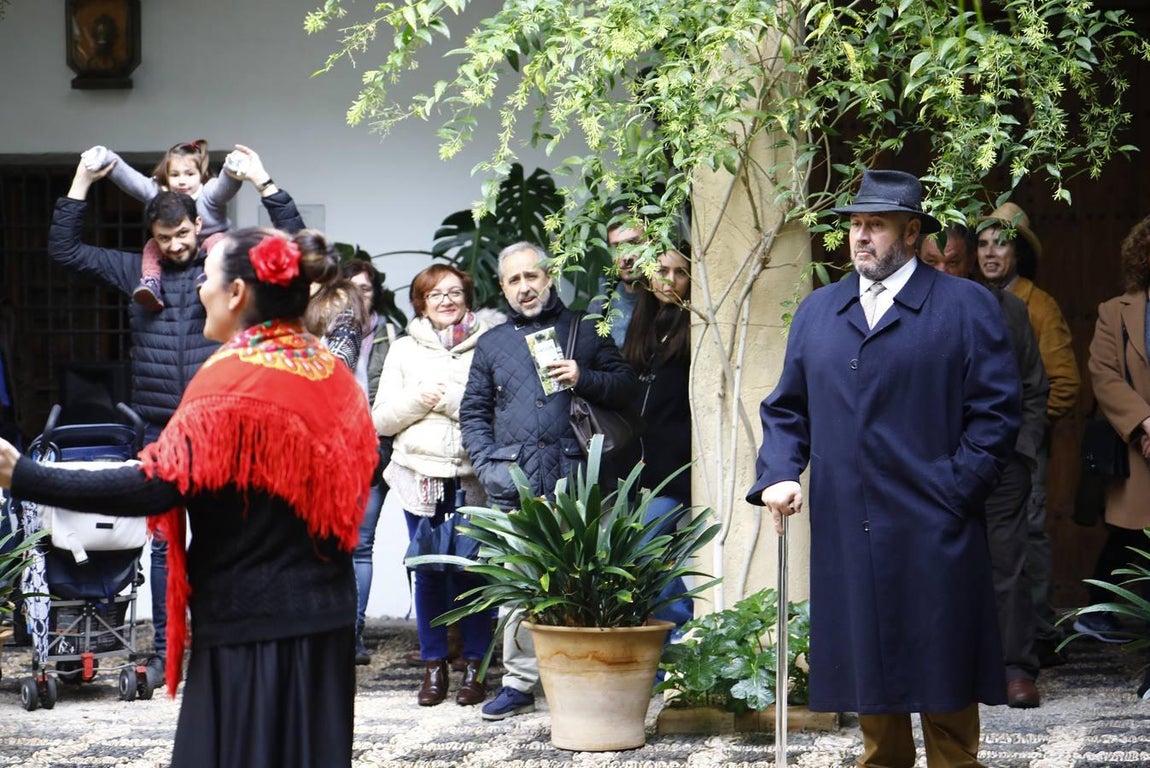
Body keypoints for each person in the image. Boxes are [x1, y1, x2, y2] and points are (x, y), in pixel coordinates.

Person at [0, 226, 379, 768]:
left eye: (208, 276)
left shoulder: (233, 379)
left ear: (237, 294)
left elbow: (158, 483)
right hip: (327, 619)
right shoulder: (330, 374)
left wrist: (29, 476)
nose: (199, 286)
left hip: (251, 625)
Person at [748, 169, 1020, 768]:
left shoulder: (965, 307)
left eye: (875, 225)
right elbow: (787, 409)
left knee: (946, 695)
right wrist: (781, 472)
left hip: (936, 531)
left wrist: (955, 490)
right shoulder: (820, 312)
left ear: (911, 230)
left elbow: (998, 415)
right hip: (851, 532)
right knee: (873, 700)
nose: (860, 237)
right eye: (854, 225)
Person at [48, 152, 304, 684]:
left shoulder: (225, 267)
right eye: (165, 239)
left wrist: (264, 180)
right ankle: (169, 655)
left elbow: (296, 248)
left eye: (184, 234)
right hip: (161, 428)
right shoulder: (136, 271)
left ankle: (229, 649)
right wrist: (81, 181)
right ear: (153, 236)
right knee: (165, 549)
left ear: (198, 223)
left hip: (226, 424)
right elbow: (64, 249)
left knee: (230, 537)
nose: (176, 246)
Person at [460, 241, 638, 721]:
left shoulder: (583, 328)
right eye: (514, 280)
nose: (525, 287)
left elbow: (625, 388)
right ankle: (519, 683)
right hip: (516, 485)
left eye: (532, 277)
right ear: (503, 288)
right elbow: (473, 412)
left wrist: (583, 376)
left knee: (589, 580)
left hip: (580, 480)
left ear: (549, 278)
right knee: (519, 588)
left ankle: (593, 672)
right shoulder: (493, 343)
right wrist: (489, 465)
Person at [923, 224, 1051, 706]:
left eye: (952, 261)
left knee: (1007, 562)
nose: (943, 272)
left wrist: (1023, 448)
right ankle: (944, 665)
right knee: (933, 562)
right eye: (932, 262)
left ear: (969, 262)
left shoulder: (1007, 309)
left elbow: (1034, 386)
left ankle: (1015, 666)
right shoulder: (903, 308)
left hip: (1000, 459)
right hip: (933, 462)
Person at [372, 264, 492, 707]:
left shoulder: (488, 346)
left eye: (455, 292)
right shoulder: (403, 350)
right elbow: (381, 419)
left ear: (467, 298)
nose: (446, 300)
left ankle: (475, 667)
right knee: (426, 572)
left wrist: (445, 400)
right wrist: (418, 398)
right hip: (418, 475)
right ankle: (435, 665)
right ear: (420, 302)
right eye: (435, 294)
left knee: (472, 572)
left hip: (471, 476)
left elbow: (492, 412)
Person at [977, 203, 1080, 660]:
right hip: (981, 449)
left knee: (1030, 535)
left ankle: (1038, 633)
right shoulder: (973, 299)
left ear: (1019, 251)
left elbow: (1063, 382)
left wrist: (1028, 434)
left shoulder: (1038, 304)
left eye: (1001, 242)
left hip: (1021, 448)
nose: (991, 253)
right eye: (982, 243)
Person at [1081, 215, 1150, 654]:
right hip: (1138, 448)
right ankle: (1103, 613)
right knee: (1132, 535)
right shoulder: (1115, 311)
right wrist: (1144, 423)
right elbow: (1103, 374)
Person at [81, 140, 254, 312]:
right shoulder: (160, 195)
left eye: (189, 174)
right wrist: (105, 157)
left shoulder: (209, 194)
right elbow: (133, 181)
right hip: (179, 252)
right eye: (175, 175)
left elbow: (225, 187)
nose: (182, 181)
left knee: (219, 242)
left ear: (200, 175)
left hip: (212, 239)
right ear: (166, 176)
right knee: (151, 246)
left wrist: (232, 168)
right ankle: (151, 282)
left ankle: (211, 278)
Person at [620, 247, 694, 632]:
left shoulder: (693, 329)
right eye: (661, 271)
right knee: (651, 556)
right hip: (636, 472)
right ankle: (667, 651)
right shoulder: (643, 325)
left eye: (679, 273)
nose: (668, 280)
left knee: (642, 546)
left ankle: (680, 627)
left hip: (674, 472)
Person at [342, 258, 399, 664]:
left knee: (361, 545)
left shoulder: (389, 337)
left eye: (364, 288)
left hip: (371, 450)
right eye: (349, 288)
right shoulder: (320, 333)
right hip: (328, 451)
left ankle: (354, 633)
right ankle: (330, 629)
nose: (357, 296)